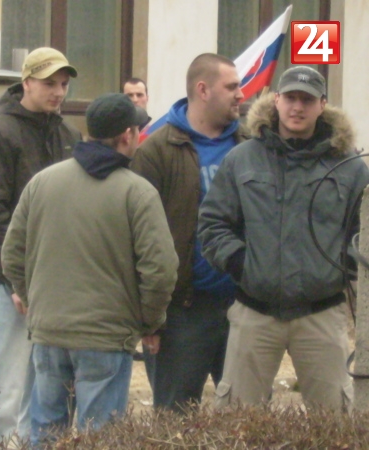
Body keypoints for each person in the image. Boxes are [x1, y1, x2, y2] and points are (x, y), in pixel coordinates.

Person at [2, 93, 179, 446]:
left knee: (45, 434)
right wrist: (148, 321)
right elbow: (160, 270)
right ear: (127, 135)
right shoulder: (138, 192)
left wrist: (33, 299)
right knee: (99, 439)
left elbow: (10, 254)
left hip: (49, 331)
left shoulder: (42, 182)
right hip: (107, 337)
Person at [198, 66, 369, 410]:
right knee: (237, 421)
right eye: (290, 98)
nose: (297, 107)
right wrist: (241, 264)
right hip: (254, 312)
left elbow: (362, 234)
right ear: (276, 100)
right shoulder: (241, 159)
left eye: (307, 100)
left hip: (322, 314)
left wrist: (343, 267)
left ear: (322, 105)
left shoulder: (349, 167)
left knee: (335, 422)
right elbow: (213, 224)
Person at [0, 47, 80, 444]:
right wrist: (15, 279)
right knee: (0, 392)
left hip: (54, 283)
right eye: (50, 83)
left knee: (45, 395)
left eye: (64, 84)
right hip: (7, 285)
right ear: (27, 82)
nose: (59, 92)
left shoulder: (68, 135)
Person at [130, 53, 247, 411]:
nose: (241, 94)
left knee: (249, 419)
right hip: (182, 313)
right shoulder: (157, 151)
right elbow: (136, 237)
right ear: (203, 90)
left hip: (245, 307)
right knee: (175, 419)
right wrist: (148, 315)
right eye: (232, 86)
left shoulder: (251, 146)